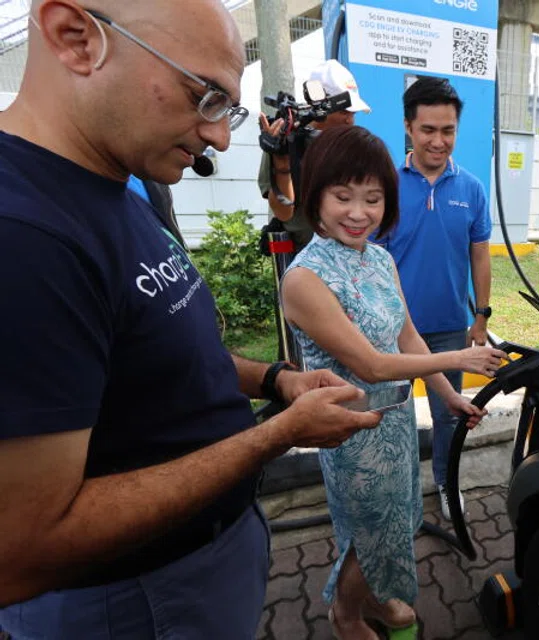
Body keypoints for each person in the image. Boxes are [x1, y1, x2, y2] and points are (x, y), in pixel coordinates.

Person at [0, 2, 380, 637]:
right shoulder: (24, 238)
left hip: (197, 572)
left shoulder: (119, 182)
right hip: (138, 601)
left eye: (227, 108)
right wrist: (274, 435)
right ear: (75, 38)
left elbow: (153, 353)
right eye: (204, 96)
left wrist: (275, 382)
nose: (221, 138)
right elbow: (23, 548)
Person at [280, 125, 505, 639]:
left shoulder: (379, 258)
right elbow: (373, 365)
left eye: (373, 199)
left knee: (400, 522)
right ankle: (347, 612)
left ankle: (375, 601)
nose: (359, 213)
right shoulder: (304, 279)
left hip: (397, 422)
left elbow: (407, 336)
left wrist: (449, 396)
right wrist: (463, 356)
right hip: (352, 432)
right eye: (343, 197)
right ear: (316, 195)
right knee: (371, 531)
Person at [377, 76, 493, 520]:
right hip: (391, 333)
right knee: (394, 419)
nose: (438, 141)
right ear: (408, 127)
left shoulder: (472, 189)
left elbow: (479, 257)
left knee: (450, 414)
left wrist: (479, 317)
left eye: (448, 130)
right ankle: (400, 497)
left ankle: (446, 484)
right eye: (428, 129)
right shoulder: (385, 185)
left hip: (449, 329)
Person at [258, 59, 372, 254]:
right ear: (320, 103)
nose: (350, 119)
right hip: (301, 257)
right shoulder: (287, 142)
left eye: (353, 112)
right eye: (344, 110)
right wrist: (281, 160)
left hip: (345, 254)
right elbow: (283, 212)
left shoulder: (352, 148)